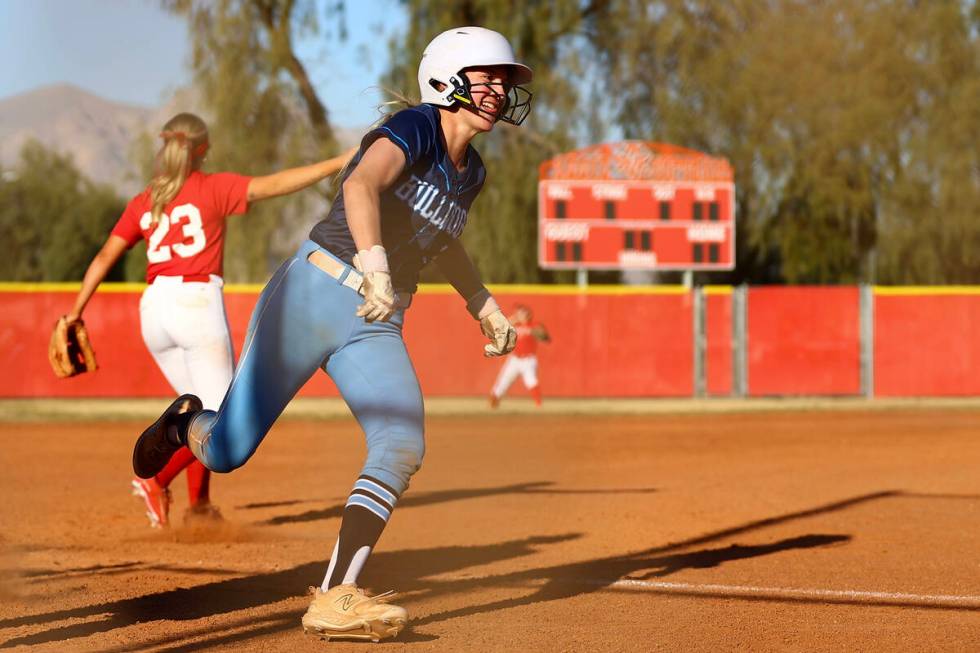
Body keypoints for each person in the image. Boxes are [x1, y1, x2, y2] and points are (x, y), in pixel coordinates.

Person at [130, 26, 532, 641]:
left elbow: (442, 241)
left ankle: (336, 594)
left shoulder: (471, 172)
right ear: (449, 78)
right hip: (315, 293)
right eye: (492, 76)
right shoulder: (417, 125)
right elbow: (359, 185)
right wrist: (373, 263)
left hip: (377, 318)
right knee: (229, 451)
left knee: (401, 444)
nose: (502, 90)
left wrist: (484, 304)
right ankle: (185, 423)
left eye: (507, 81)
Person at [64, 112, 354, 529]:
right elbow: (274, 185)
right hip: (196, 305)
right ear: (202, 150)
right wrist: (336, 162)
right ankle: (156, 480)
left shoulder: (145, 200)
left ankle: (198, 506)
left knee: (195, 407)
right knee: (219, 420)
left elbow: (105, 256)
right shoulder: (212, 188)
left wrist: (74, 313)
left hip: (154, 311)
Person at [489, 303, 550, 408]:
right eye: (519, 313)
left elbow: (546, 338)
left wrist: (540, 334)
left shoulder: (534, 325)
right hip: (514, 359)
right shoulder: (514, 326)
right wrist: (514, 319)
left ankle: (539, 405)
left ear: (528, 314)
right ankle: (492, 406)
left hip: (528, 359)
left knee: (531, 381)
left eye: (522, 313)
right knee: (502, 382)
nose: (520, 315)